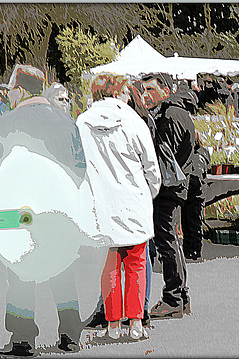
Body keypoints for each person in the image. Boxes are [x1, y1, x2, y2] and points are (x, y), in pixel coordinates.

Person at [0, 65, 88, 356]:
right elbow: (82, 167)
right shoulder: (68, 122)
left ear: (21, 90)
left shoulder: (7, 122)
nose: (10, 94)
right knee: (63, 271)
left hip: (23, 213)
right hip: (63, 211)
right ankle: (70, 335)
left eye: (12, 89)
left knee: (20, 272)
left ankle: (23, 338)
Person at [76, 73, 161, 340]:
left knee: (109, 264)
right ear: (120, 92)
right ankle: (136, 323)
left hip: (100, 204)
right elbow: (151, 167)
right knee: (136, 263)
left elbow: (76, 165)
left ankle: (113, 325)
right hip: (133, 201)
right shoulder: (133, 121)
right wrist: (148, 194)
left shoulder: (81, 122)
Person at [141, 72, 195, 318]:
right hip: (173, 185)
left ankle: (173, 297)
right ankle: (180, 296)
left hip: (168, 186)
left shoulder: (170, 114)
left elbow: (166, 156)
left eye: (150, 90)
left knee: (166, 240)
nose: (146, 95)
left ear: (165, 89)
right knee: (170, 239)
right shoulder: (175, 111)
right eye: (144, 90)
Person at [181, 137, 211, 260]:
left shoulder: (195, 158)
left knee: (191, 223)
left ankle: (193, 249)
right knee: (193, 223)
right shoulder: (201, 156)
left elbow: (195, 178)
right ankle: (192, 249)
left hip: (193, 194)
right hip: (197, 195)